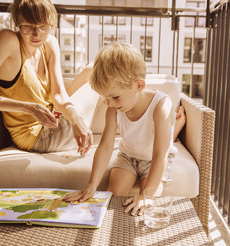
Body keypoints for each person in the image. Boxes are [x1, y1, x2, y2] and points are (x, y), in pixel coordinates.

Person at [0, 0, 92, 154]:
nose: (37, 34)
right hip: (35, 138)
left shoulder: (50, 44)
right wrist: (28, 108)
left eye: (43, 27)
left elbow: (58, 95)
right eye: (29, 27)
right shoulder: (9, 41)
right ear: (17, 24)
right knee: (96, 81)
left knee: (93, 70)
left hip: (53, 121)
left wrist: (75, 118)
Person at [64, 42, 178, 216]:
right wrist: (91, 185)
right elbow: (106, 146)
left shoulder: (160, 106)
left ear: (139, 85)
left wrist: (146, 196)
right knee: (114, 196)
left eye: (115, 97)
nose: (109, 103)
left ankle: (178, 125)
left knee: (147, 202)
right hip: (128, 156)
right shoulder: (113, 108)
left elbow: (159, 155)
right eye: (105, 97)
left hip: (153, 160)